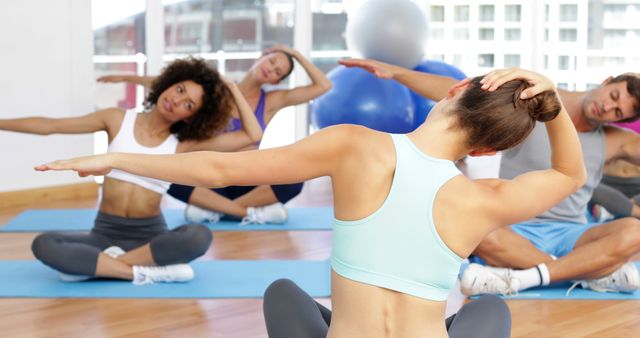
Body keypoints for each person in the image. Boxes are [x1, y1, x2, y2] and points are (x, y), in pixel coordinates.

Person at [37, 67, 585, 337]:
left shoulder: (356, 146)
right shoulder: (486, 198)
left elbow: (224, 167)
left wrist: (115, 159)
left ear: (451, 89)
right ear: (490, 147)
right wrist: (551, 100)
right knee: (490, 307)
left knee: (282, 291)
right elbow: (569, 171)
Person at [340, 58, 640, 295]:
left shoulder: (616, 140)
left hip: (571, 234)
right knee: (472, 226)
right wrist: (395, 72)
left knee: (633, 231)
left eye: (618, 112)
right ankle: (587, 272)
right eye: (613, 96)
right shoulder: (537, 99)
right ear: (607, 81)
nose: (608, 108)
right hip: (512, 230)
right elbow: (458, 91)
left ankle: (527, 276)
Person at [0, 57, 263, 284]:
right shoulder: (116, 119)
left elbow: (253, 134)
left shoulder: (184, 145)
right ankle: (140, 272)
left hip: (150, 237)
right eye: (180, 89)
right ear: (168, 83)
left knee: (199, 236)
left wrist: (231, 87)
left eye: (189, 104)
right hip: (103, 233)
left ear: (191, 117)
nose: (176, 99)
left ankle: (103, 266)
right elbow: (51, 126)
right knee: (44, 245)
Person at [99, 45, 332, 225]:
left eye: (277, 71)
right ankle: (245, 213)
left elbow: (323, 86)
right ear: (262, 55)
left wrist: (295, 54)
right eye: (271, 60)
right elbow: (169, 83)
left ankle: (216, 210)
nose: (270, 69)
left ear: (276, 81)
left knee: (294, 179)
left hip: (246, 177)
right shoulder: (217, 90)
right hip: (210, 176)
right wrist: (128, 78)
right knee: (169, 179)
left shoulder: (272, 101)